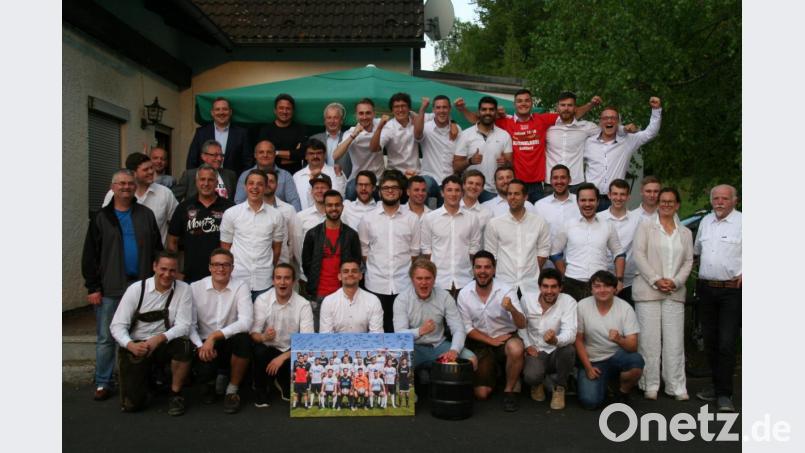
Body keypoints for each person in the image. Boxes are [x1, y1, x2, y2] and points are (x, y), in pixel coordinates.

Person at [82, 169, 162, 401]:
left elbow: (157, 249)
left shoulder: (146, 214)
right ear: (113, 187)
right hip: (110, 287)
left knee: (142, 333)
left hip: (142, 286)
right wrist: (93, 287)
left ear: (135, 187)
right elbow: (90, 255)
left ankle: (140, 379)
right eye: (121, 183)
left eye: (130, 183)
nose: (126, 187)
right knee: (106, 337)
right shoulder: (101, 217)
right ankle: (103, 381)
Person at [457, 90, 599, 202]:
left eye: (527, 100)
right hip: (516, 183)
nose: (523, 104)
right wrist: (462, 110)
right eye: (519, 101)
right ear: (515, 104)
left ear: (531, 103)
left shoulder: (542, 120)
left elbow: (568, 114)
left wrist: (591, 105)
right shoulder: (505, 122)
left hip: (538, 185)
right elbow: (480, 120)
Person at [109, 251, 192, 415]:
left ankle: (175, 394)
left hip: (164, 342)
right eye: (163, 269)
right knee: (132, 406)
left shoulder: (184, 289)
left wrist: (159, 339)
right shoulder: (136, 289)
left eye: (172, 270)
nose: (167, 274)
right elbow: (117, 325)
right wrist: (130, 345)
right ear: (154, 267)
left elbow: (184, 325)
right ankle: (149, 382)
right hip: (137, 345)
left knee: (184, 345)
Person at [632, 187, 694, 401]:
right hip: (648, 290)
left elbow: (688, 261)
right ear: (658, 204)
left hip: (674, 292)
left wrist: (676, 281)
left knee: (674, 342)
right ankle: (649, 384)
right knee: (649, 341)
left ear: (677, 205)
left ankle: (676, 385)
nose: (666, 204)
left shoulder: (685, 233)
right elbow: (639, 255)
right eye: (663, 201)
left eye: (671, 201)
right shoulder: (645, 226)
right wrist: (656, 279)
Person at [457, 251, 527, 412]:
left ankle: (509, 390)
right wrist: (490, 340)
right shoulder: (464, 294)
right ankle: (500, 372)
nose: (482, 271)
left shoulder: (506, 290)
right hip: (480, 343)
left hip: (505, 339)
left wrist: (512, 309)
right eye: (478, 267)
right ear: (473, 269)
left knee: (516, 348)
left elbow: (522, 323)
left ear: (494, 269)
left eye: (487, 267)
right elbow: (466, 328)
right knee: (481, 394)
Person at [693, 184, 742, 413]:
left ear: (735, 201)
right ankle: (716, 386)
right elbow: (697, 252)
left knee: (726, 342)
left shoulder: (744, 222)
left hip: (731, 291)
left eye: (724, 198)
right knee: (710, 342)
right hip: (706, 289)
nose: (719, 202)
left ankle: (724, 394)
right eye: (716, 198)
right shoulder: (705, 222)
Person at [189, 248, 253, 414]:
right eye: (216, 264)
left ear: (232, 267)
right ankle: (211, 381)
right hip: (203, 343)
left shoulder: (241, 286)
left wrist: (215, 335)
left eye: (226, 265)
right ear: (210, 267)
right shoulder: (195, 288)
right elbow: (189, 324)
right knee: (206, 386)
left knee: (244, 339)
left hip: (228, 339)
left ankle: (232, 390)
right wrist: (200, 345)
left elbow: (246, 322)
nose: (221, 268)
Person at [358, 171, 421, 332]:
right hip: (375, 285)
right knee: (377, 331)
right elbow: (364, 251)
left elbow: (414, 253)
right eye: (386, 188)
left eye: (394, 187)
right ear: (379, 192)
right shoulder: (368, 218)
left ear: (401, 191)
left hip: (403, 285)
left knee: (401, 331)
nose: (390, 191)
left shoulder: (412, 219)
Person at [575, 270, 644, 409]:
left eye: (607, 286)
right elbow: (578, 340)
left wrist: (619, 339)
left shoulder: (625, 308)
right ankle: (604, 383)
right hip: (593, 360)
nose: (602, 290)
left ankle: (623, 391)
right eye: (597, 286)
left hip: (616, 357)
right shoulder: (582, 306)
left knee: (636, 361)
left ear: (614, 288)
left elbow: (633, 346)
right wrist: (588, 367)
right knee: (590, 402)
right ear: (591, 289)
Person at [394, 258, 477, 372]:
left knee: (471, 359)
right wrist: (420, 331)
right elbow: (399, 334)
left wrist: (454, 350)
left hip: (438, 346)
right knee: (395, 364)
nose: (424, 282)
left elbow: (458, 328)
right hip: (413, 347)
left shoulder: (444, 296)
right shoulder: (402, 299)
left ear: (434, 279)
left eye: (428, 278)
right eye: (419, 278)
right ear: (412, 280)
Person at [251, 263, 315, 407]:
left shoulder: (303, 304)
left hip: (289, 351)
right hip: (267, 348)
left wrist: (283, 357)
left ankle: (282, 380)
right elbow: (253, 334)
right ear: (273, 281)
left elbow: (307, 341)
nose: (282, 282)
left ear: (294, 281)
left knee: (303, 356)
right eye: (278, 278)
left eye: (287, 278)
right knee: (258, 350)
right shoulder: (262, 300)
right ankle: (261, 387)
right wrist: (263, 337)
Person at [550, 183, 625, 302]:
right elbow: (554, 252)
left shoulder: (608, 226)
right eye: (583, 200)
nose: (587, 204)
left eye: (591, 200)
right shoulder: (568, 225)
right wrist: (565, 273)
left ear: (598, 202)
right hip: (572, 284)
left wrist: (619, 279)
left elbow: (619, 253)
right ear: (577, 202)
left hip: (600, 285)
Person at [584, 97, 662, 210]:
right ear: (600, 122)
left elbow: (650, 133)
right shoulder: (588, 142)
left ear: (618, 122)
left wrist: (656, 110)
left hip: (615, 200)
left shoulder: (627, 141)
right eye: (605, 118)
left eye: (613, 118)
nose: (609, 121)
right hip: (591, 200)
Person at [219, 169, 286, 299]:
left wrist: (268, 267)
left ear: (265, 188)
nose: (255, 187)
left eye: (260, 184)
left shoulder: (276, 215)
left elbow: (277, 249)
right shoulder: (231, 213)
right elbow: (225, 248)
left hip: (264, 279)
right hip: (237, 278)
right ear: (245, 187)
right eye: (251, 183)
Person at [518, 269, 577, 410]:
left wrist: (556, 340)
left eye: (554, 287)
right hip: (535, 351)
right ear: (539, 287)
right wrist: (527, 345)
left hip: (556, 351)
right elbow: (521, 326)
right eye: (545, 286)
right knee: (531, 377)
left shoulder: (568, 301)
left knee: (568, 350)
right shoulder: (526, 299)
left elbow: (571, 332)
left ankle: (560, 387)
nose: (549, 291)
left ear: (560, 288)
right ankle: (539, 382)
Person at [302, 190, 361, 329]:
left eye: (337, 205)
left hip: (344, 295)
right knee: (319, 337)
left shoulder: (351, 235)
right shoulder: (312, 234)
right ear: (324, 207)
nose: (334, 208)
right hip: (318, 295)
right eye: (329, 205)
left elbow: (356, 263)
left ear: (342, 207)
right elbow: (306, 264)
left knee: (344, 336)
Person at [166, 164, 235, 283]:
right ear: (196, 182)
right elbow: (172, 240)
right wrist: (176, 271)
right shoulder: (183, 207)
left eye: (210, 180)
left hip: (222, 274)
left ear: (216, 182)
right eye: (202, 179)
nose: (206, 183)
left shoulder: (230, 208)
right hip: (191, 275)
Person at [485, 179, 551, 296]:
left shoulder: (539, 222)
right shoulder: (494, 224)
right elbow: (491, 255)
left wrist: (530, 271)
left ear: (525, 197)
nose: (512, 197)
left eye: (516, 194)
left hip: (531, 284)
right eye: (509, 194)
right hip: (504, 284)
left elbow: (543, 251)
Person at [420, 176, 481, 296]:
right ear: (442, 193)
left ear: (462, 193)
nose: (453, 194)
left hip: (465, 279)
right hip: (438, 281)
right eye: (449, 190)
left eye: (457, 190)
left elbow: (474, 248)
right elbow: (426, 249)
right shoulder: (430, 218)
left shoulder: (472, 218)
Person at [102, 152, 177, 245]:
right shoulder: (114, 194)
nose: (151, 172)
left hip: (154, 253)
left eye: (151, 168)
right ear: (133, 173)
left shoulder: (165, 193)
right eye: (146, 169)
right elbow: (104, 224)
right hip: (120, 251)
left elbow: (176, 224)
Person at [453, 96, 512, 202]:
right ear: (478, 112)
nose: (487, 112)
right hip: (470, 190)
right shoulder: (465, 135)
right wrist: (470, 161)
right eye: (484, 109)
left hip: (493, 192)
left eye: (491, 109)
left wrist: (505, 162)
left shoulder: (504, 135)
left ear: (496, 112)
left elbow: (510, 164)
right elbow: (456, 166)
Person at [597, 179, 642, 305]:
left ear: (628, 197)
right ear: (609, 195)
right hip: (602, 279)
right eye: (615, 194)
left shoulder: (638, 220)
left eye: (622, 194)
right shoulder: (598, 218)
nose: (618, 198)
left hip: (630, 281)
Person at [413, 95, 461, 206]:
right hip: (430, 177)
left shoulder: (457, 128)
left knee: (447, 211)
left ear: (450, 109)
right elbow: (417, 133)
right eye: (438, 107)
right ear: (433, 110)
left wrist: (452, 122)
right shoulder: (426, 128)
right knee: (424, 185)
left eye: (445, 107)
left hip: (449, 180)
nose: (441, 110)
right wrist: (422, 109)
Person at [333, 98, 384, 200]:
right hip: (357, 179)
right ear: (356, 115)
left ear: (374, 114)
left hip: (378, 180)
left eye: (368, 113)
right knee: (350, 190)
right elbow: (336, 155)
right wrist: (354, 135)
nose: (364, 117)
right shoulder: (351, 132)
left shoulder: (381, 125)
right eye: (361, 113)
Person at [186, 97, 252, 175]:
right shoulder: (201, 133)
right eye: (217, 109)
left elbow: (248, 163)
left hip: (232, 181)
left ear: (230, 112)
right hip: (206, 180)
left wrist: (239, 180)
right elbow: (192, 161)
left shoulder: (242, 133)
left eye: (225, 109)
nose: (221, 112)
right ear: (212, 113)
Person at [319, 260, 384, 333]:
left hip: (364, 341)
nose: (350, 274)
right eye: (346, 271)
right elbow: (326, 335)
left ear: (360, 275)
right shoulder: (328, 302)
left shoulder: (373, 300)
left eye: (354, 271)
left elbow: (376, 334)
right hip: (335, 341)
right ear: (339, 276)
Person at [234, 140, 301, 210]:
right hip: (251, 215)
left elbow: (294, 201)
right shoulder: (245, 175)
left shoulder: (285, 176)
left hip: (280, 215)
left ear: (274, 154)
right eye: (261, 152)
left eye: (269, 152)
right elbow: (239, 202)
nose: (265, 155)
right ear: (255, 155)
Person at [293, 173, 331, 294]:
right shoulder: (301, 217)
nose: (319, 191)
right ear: (311, 191)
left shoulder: (339, 215)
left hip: (332, 277)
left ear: (330, 191)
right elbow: (297, 248)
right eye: (316, 187)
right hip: (307, 277)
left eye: (323, 187)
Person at [370, 92, 420, 174]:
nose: (400, 110)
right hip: (396, 174)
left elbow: (432, 118)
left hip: (416, 173)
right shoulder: (389, 127)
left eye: (403, 106)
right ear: (392, 110)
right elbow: (374, 148)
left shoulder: (416, 122)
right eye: (396, 107)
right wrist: (379, 128)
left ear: (409, 108)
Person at [174, 140, 238, 202]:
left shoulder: (230, 175)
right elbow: (173, 198)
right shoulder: (190, 175)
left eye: (221, 155)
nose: (219, 158)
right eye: (215, 155)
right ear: (203, 156)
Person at [258, 93, 308, 173]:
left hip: (294, 175)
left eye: (288, 108)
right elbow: (264, 155)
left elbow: (301, 154)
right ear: (275, 110)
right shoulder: (266, 130)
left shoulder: (300, 129)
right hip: (270, 174)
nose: (284, 111)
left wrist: (275, 152)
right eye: (281, 108)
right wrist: (292, 156)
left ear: (293, 111)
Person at [293, 138, 346, 210]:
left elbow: (341, 197)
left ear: (324, 155)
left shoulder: (336, 172)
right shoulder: (297, 176)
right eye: (311, 153)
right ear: (305, 156)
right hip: (304, 216)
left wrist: (339, 176)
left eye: (319, 153)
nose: (315, 156)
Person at [534, 165, 578, 248]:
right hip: (549, 254)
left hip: (575, 253)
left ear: (569, 180)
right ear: (550, 181)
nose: (559, 181)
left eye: (563, 177)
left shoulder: (580, 202)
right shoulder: (539, 205)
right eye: (555, 178)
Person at [310, 102, 352, 179]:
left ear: (341, 121)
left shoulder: (349, 138)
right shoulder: (314, 139)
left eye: (336, 118)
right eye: (329, 118)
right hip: (320, 181)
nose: (332, 121)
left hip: (344, 181)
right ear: (324, 121)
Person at [458, 169, 494, 239]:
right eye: (470, 183)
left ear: (482, 189)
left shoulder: (487, 213)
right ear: (463, 185)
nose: (474, 187)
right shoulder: (452, 208)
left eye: (478, 184)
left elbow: (489, 239)